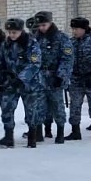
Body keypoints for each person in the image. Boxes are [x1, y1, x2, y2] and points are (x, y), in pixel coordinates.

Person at [0, 17, 44, 148]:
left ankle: (32, 138)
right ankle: (8, 137)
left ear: (21, 31)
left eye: (14, 33)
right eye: (9, 32)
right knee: (7, 109)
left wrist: (22, 78)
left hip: (29, 83)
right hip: (10, 82)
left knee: (31, 111)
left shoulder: (31, 43)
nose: (11, 35)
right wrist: (0, 79)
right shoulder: (6, 44)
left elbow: (35, 64)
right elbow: (1, 62)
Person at [33, 11, 73, 144]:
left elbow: (67, 59)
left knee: (57, 105)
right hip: (39, 76)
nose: (41, 28)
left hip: (55, 76)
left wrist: (61, 76)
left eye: (44, 25)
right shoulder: (35, 38)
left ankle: (60, 132)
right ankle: (38, 132)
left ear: (50, 22)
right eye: (39, 25)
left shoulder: (61, 38)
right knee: (38, 105)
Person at [67, 17, 91, 141]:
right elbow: (67, 60)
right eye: (73, 29)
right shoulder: (71, 43)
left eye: (77, 29)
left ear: (84, 29)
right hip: (76, 80)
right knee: (74, 105)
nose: (74, 32)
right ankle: (75, 131)